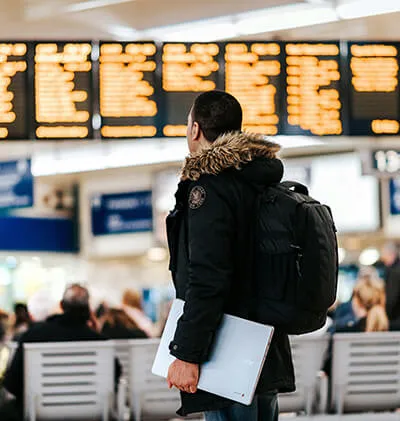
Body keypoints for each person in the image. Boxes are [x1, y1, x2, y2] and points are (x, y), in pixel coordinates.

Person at [166, 91, 294, 421]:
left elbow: (208, 277)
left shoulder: (211, 189)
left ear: (195, 130)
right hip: (264, 347)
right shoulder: (260, 182)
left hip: (228, 352)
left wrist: (187, 354)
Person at [2, 284, 121, 415]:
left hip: (40, 413)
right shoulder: (101, 342)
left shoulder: (33, 335)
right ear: (88, 310)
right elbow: (114, 380)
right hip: (90, 412)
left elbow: (12, 384)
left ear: (62, 305)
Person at [381, 242, 400, 329]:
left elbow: (392, 298)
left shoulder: (394, 272)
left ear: (390, 254)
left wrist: (385, 315)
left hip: (395, 319)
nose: (382, 258)